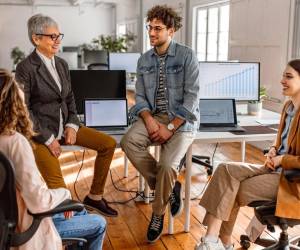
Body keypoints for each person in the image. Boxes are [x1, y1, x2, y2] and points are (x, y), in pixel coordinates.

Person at [15, 14, 118, 217]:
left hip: (65, 125)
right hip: (40, 134)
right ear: (36, 38)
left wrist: (72, 124)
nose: (58, 41)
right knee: (64, 199)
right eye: (52, 36)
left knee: (108, 144)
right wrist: (49, 138)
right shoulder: (25, 68)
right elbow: (24, 111)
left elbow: (69, 97)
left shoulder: (61, 64)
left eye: (59, 35)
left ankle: (95, 197)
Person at [194, 59, 300, 250]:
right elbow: (283, 142)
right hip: (275, 170)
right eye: (283, 75)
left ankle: (215, 242)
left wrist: (282, 159)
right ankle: (218, 241)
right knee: (225, 169)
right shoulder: (289, 107)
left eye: (289, 76)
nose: (282, 80)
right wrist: (274, 151)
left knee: (233, 189)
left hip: (292, 181)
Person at [0, 69, 106, 250]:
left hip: (7, 219)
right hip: (26, 227)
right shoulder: (15, 142)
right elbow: (39, 202)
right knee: (98, 222)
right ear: (14, 103)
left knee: (77, 211)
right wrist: (64, 193)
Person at [121, 5, 200, 243]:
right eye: (150, 28)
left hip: (182, 121)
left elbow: (192, 97)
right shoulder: (144, 60)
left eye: (158, 28)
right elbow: (141, 96)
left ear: (171, 31)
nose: (152, 33)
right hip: (153, 117)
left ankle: (157, 213)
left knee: (167, 166)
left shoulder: (187, 55)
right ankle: (169, 190)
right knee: (128, 142)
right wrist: (149, 120)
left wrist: (171, 127)